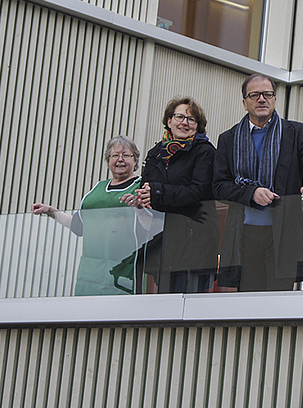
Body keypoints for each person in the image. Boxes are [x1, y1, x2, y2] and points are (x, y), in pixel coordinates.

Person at [213, 74, 303, 291]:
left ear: (275, 99)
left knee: (279, 306)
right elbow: (219, 185)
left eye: (267, 94)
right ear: (244, 102)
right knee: (248, 305)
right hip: (244, 235)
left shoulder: (295, 132)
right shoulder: (228, 139)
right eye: (255, 95)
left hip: (283, 235)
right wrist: (251, 192)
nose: (262, 99)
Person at [31, 135, 147, 295]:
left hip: (124, 277)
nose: (120, 160)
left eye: (126, 155)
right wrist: (51, 211)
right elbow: (78, 226)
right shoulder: (96, 189)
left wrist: (138, 207)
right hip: (89, 277)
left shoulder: (142, 187)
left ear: (135, 160)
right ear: (108, 160)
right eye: (115, 155)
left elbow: (150, 226)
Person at [124, 97, 218, 293]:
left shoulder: (205, 151)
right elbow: (146, 188)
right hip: (162, 241)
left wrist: (157, 193)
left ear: (198, 126)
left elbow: (198, 191)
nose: (185, 122)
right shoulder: (155, 153)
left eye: (191, 120)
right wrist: (139, 200)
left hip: (195, 241)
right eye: (180, 117)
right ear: (169, 121)